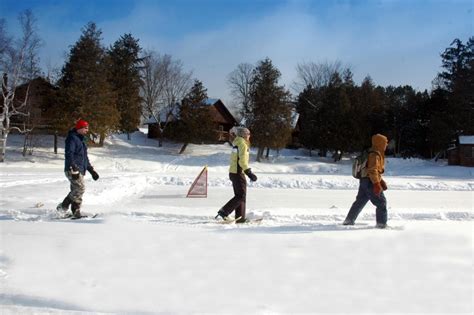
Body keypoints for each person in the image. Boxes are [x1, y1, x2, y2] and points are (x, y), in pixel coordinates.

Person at [343, 133, 389, 228]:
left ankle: (349, 220)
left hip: (364, 181)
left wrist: (381, 181)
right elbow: (372, 170)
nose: (386, 145)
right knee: (381, 202)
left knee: (360, 201)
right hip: (370, 182)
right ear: (380, 143)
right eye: (385, 142)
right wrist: (376, 184)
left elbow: (372, 170)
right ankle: (381, 224)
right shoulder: (375, 154)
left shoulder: (370, 152)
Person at [56, 119, 99, 218]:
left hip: (80, 169)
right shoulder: (72, 138)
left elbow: (84, 158)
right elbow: (69, 154)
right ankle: (63, 207)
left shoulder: (81, 139)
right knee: (80, 188)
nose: (87, 130)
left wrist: (91, 171)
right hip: (73, 169)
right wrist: (73, 167)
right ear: (79, 128)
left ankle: (75, 212)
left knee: (76, 190)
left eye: (87, 128)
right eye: (85, 128)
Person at [215, 127, 257, 223]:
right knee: (241, 195)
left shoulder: (237, 143)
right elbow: (242, 161)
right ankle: (224, 211)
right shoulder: (243, 144)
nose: (249, 136)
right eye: (248, 134)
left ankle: (240, 217)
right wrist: (249, 172)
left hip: (234, 172)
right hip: (238, 173)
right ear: (244, 135)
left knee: (240, 195)